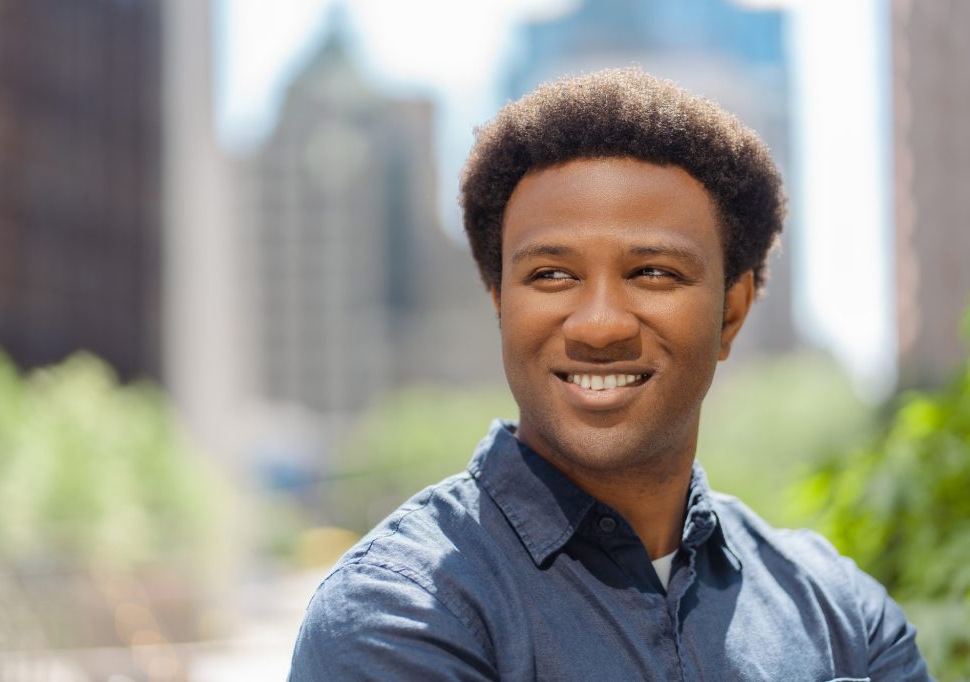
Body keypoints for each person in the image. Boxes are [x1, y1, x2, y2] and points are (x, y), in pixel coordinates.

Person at [289, 69, 930, 680]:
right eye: (551, 276)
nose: (599, 326)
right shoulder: (398, 611)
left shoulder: (842, 614)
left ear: (730, 313)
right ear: (500, 305)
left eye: (653, 272)